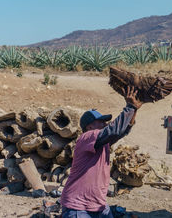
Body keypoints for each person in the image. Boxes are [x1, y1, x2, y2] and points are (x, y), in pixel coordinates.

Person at [60, 86, 142, 218]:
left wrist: (134, 109)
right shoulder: (86, 137)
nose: (105, 124)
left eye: (105, 121)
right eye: (101, 122)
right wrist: (129, 107)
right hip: (78, 207)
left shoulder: (102, 142)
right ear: (89, 126)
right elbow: (113, 131)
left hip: (98, 205)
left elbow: (121, 131)